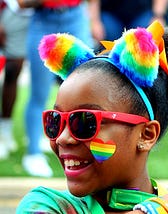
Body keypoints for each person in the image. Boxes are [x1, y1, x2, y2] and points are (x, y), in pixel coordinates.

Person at [16, 21, 168, 213]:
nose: (62, 138)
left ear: (146, 135)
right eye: (55, 121)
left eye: (84, 122)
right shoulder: (47, 205)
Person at [17, 0, 104, 177]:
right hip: (44, 20)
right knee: (39, 93)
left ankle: (87, 147)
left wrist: (94, 19)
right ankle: (33, 153)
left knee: (87, 90)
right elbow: (22, 3)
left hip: (77, 17)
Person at [0, 0, 32, 160]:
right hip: (12, 10)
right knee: (12, 71)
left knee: (46, 75)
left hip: (43, 16)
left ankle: (37, 134)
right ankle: (4, 132)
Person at [99, 0, 168, 42]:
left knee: (144, 38)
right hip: (110, 12)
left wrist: (158, 16)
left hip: (141, 12)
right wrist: (94, 21)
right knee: (110, 37)